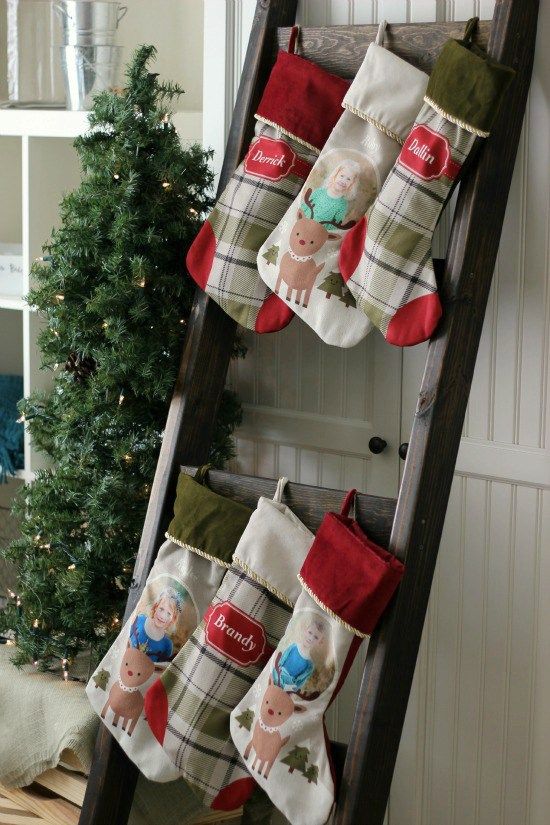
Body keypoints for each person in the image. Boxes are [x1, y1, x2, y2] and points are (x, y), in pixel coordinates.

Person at [129, 586, 184, 663]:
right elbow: (126, 640)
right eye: (161, 609)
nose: (163, 616)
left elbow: (159, 668)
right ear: (155, 607)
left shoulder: (167, 644)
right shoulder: (140, 619)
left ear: (173, 619)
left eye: (168, 614)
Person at [301, 159, 361, 229]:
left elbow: (334, 225)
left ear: (352, 184)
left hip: (317, 233)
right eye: (342, 176)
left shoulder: (343, 205)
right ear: (335, 175)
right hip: (303, 224)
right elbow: (304, 207)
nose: (343, 181)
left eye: (348, 179)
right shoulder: (319, 192)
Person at [274, 615, 327, 691]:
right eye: (310, 632)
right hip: (279, 673)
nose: (311, 638)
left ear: (320, 642)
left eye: (316, 637)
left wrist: (294, 687)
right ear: (305, 630)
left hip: (289, 683)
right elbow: (284, 657)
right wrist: (278, 668)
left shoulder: (310, 663)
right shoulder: (294, 646)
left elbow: (303, 678)